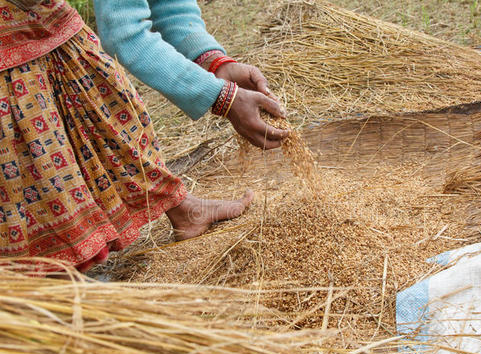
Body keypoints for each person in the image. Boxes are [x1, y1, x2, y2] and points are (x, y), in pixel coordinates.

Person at [0, 0, 289, 273]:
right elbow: (126, 33)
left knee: (106, 112)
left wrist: (212, 60)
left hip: (47, 22)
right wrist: (221, 96)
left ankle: (181, 209)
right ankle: (52, 285)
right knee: (34, 165)